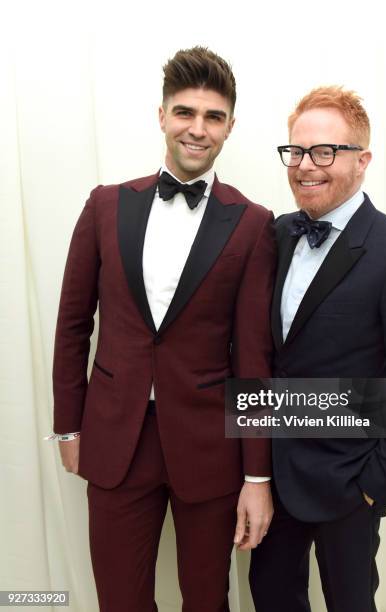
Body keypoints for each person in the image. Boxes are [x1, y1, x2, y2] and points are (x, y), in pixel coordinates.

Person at [52, 46, 275, 612]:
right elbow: (73, 325)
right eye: (185, 112)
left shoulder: (253, 224)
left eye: (213, 117)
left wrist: (256, 474)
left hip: (209, 447)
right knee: (120, 601)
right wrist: (67, 428)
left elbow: (253, 357)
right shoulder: (105, 206)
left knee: (207, 600)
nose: (197, 129)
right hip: (114, 438)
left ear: (229, 127)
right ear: (162, 115)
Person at [249, 86, 386, 612]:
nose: (304, 165)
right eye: (295, 151)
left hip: (349, 484)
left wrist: (373, 487)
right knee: (270, 596)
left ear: (362, 161)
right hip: (273, 474)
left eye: (324, 152)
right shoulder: (276, 235)